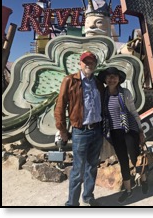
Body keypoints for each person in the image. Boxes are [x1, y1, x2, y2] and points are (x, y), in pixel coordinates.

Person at [54, 51, 104, 206]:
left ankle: (88, 197)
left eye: (91, 62)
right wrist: (62, 129)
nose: (88, 64)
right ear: (80, 64)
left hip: (97, 130)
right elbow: (60, 106)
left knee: (92, 167)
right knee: (77, 170)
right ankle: (72, 204)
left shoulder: (98, 83)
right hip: (80, 132)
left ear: (95, 65)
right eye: (86, 62)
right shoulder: (70, 81)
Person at [98, 66, 148, 204]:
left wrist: (140, 130)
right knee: (122, 160)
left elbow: (133, 111)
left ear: (119, 79)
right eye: (109, 76)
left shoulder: (124, 93)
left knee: (134, 156)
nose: (112, 79)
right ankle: (128, 190)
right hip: (114, 132)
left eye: (114, 76)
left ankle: (143, 179)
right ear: (105, 79)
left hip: (129, 130)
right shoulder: (103, 94)